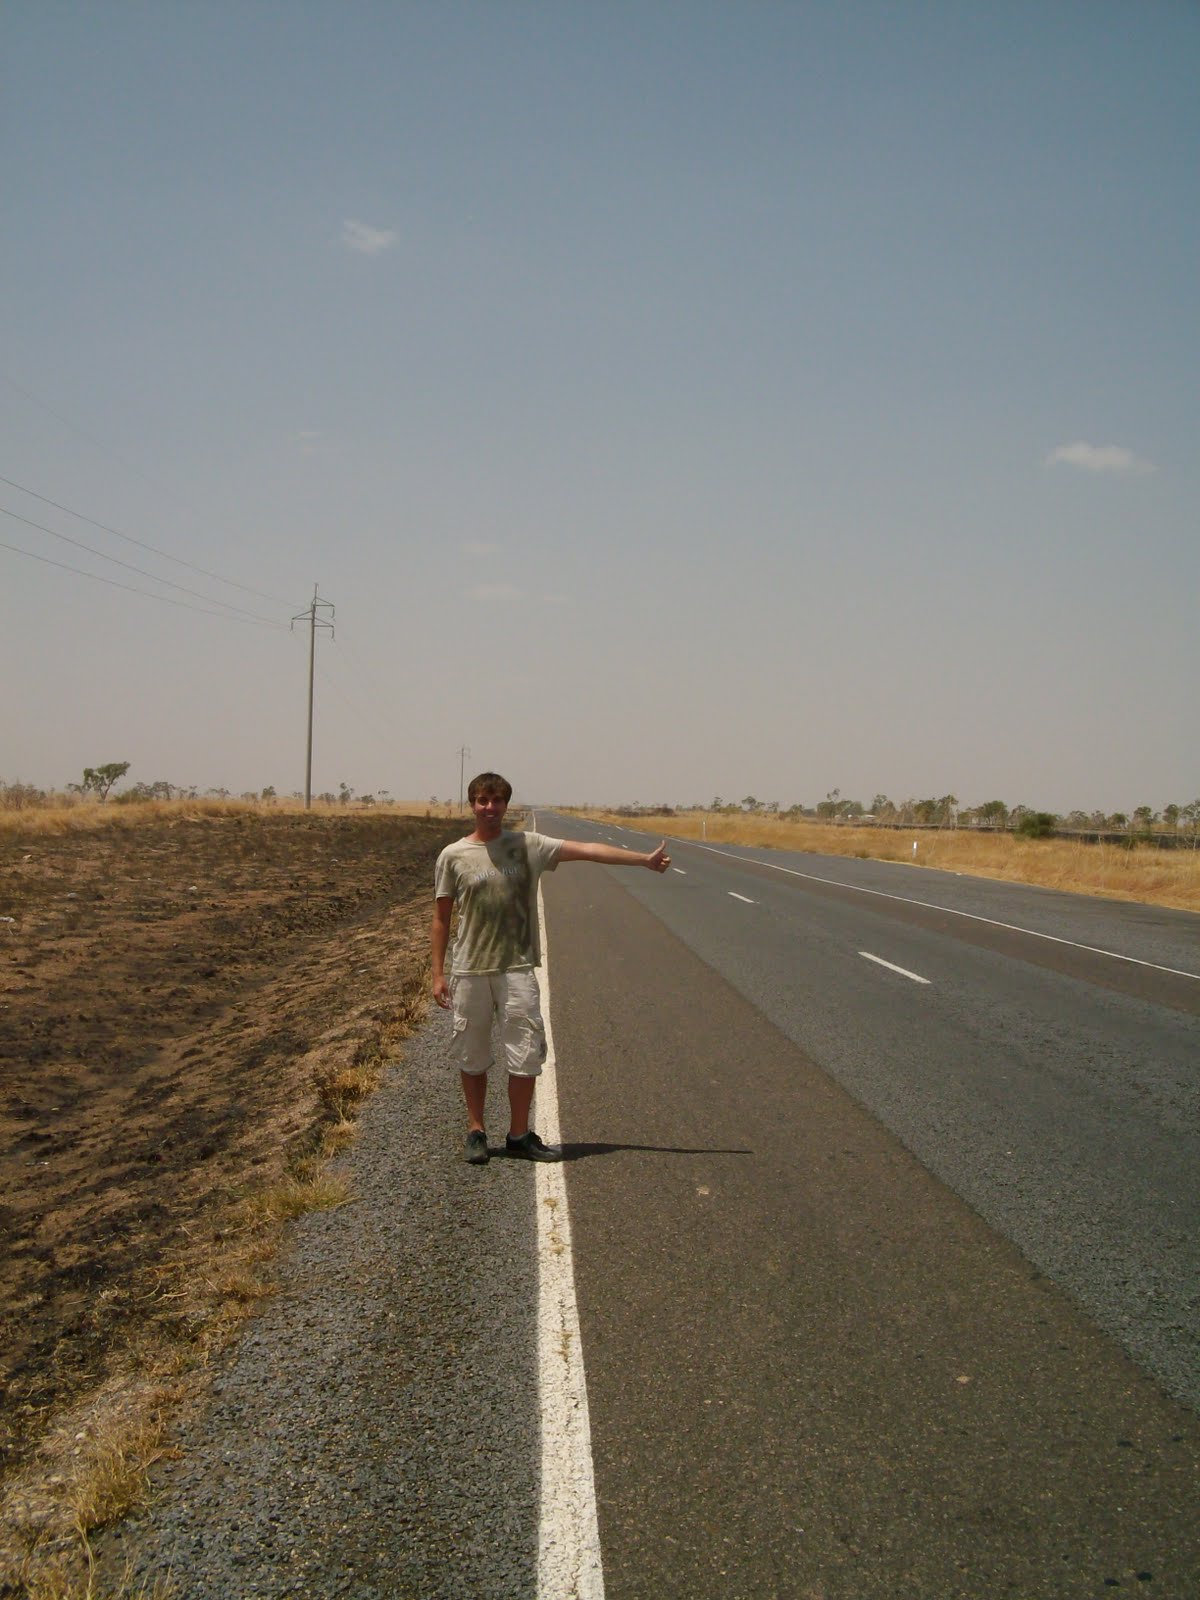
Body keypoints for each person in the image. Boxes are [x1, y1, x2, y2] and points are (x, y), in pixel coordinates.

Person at [432, 771, 670, 1164]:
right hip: (471, 969)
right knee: (471, 1055)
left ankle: (519, 1134)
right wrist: (438, 973)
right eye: (482, 800)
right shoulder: (453, 855)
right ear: (472, 804)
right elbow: (441, 918)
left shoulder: (529, 846)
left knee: (524, 1055)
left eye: (497, 801)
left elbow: (590, 849)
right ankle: (476, 1131)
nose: (490, 808)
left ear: (507, 805)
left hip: (518, 968)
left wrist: (643, 860)